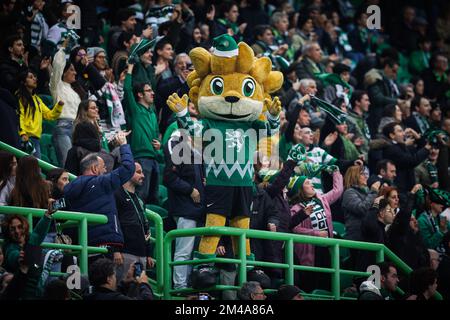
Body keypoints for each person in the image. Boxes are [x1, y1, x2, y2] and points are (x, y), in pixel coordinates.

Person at [64, 131, 135, 262]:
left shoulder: (69, 188)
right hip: (104, 246)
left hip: (82, 246)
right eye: (103, 168)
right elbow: (128, 168)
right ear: (95, 169)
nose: (106, 171)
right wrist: (124, 145)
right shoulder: (101, 182)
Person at [289, 166, 343, 291]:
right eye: (308, 183)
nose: (312, 184)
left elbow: (338, 190)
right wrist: (315, 233)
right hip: (309, 252)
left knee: (327, 283)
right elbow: (294, 229)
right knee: (311, 284)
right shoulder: (296, 208)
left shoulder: (321, 199)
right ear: (300, 189)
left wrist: (336, 172)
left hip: (326, 247)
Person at [163, 130, 205, 290]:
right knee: (184, 251)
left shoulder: (197, 157)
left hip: (197, 211)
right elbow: (169, 178)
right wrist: (190, 190)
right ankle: (180, 286)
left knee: (192, 253)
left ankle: (187, 286)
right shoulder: (180, 152)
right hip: (184, 209)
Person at [1, 199, 57, 299]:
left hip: (37, 291)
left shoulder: (30, 240)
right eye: (12, 229)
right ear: (8, 232)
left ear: (25, 227)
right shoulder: (9, 246)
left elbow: (38, 232)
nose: (17, 231)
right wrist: (21, 258)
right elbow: (12, 255)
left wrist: (48, 213)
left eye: (19, 227)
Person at [124, 63, 161, 205]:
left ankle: (150, 226)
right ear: (140, 94)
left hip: (154, 159)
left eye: (152, 90)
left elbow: (157, 134)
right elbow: (127, 89)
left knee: (154, 197)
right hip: (140, 158)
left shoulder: (152, 113)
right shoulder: (135, 110)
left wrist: (159, 146)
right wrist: (131, 68)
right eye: (148, 90)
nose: (152, 93)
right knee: (141, 194)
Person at [114, 162, 155, 283]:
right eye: (138, 172)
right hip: (125, 252)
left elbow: (145, 225)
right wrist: (116, 250)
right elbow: (114, 222)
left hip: (141, 252)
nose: (143, 175)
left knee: (139, 289)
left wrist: (148, 253)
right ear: (127, 173)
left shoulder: (139, 199)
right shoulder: (116, 194)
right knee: (124, 287)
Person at [50, 38, 86, 167]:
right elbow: (57, 67)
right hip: (63, 128)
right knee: (67, 165)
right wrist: (62, 49)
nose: (75, 73)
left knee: (79, 167)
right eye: (71, 70)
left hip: (78, 130)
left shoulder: (76, 91)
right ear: (64, 72)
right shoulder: (57, 86)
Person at [17, 69, 64, 158]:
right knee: (30, 168)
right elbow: (20, 116)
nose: (34, 79)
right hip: (25, 138)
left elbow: (50, 115)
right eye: (30, 77)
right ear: (24, 82)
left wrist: (59, 106)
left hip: (35, 139)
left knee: (35, 169)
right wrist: (22, 133)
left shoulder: (37, 100)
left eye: (34, 77)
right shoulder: (20, 97)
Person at [382, 122, 431, 194]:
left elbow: (420, 150)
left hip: (408, 187)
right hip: (401, 190)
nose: (403, 133)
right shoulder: (391, 149)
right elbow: (412, 161)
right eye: (400, 131)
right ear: (392, 135)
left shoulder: (401, 147)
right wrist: (426, 148)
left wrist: (418, 137)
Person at [85, 258, 152, 300]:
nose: (115, 278)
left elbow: (109, 293)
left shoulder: (90, 294)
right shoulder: (116, 298)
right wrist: (144, 283)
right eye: (114, 275)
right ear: (109, 279)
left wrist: (124, 282)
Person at [417, 187, 450, 253]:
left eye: (443, 203)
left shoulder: (442, 217)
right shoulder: (422, 220)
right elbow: (428, 245)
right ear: (431, 203)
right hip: (432, 257)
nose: (442, 205)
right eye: (439, 202)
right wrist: (441, 231)